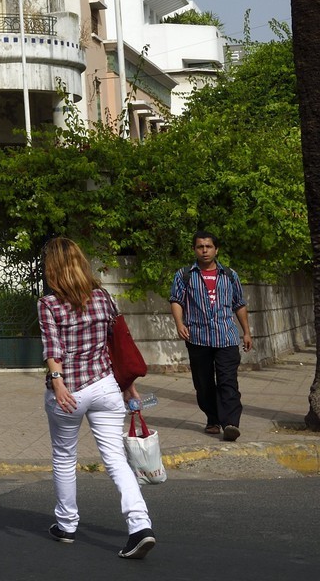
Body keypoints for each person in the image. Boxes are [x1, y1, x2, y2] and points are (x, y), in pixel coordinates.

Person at [39, 237, 155, 559]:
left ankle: (66, 525)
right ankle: (140, 526)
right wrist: (128, 387)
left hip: (71, 392)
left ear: (52, 269)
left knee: (64, 457)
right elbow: (117, 345)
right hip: (105, 386)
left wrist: (58, 383)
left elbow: (53, 349)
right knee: (116, 459)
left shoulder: (48, 304)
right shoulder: (103, 297)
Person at [169, 230, 253, 442]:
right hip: (198, 337)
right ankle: (213, 419)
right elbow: (176, 300)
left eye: (208, 246)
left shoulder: (230, 275)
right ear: (194, 249)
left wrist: (246, 332)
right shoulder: (185, 275)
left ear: (216, 249)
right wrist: (179, 323)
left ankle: (231, 423)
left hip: (226, 337)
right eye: (200, 247)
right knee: (203, 383)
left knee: (228, 381)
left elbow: (239, 304)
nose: (204, 250)